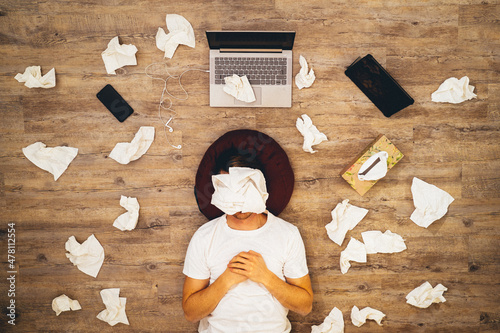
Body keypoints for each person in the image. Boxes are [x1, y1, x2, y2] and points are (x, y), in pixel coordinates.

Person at [182, 147, 313, 332]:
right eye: (229, 190)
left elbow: (305, 306)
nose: (238, 203)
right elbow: (190, 313)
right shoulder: (204, 237)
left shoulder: (287, 234)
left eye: (244, 189)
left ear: (259, 187)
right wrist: (226, 279)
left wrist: (265, 277)